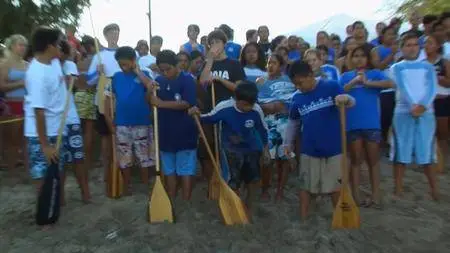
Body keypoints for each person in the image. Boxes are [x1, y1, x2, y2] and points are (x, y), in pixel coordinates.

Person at [283, 61, 355, 220]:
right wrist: (288, 143)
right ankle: (303, 217)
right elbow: (293, 123)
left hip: (334, 147)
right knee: (306, 186)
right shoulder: (297, 98)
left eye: (300, 83)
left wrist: (346, 98)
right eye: (295, 85)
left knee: (336, 186)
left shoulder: (331, 86)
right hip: (309, 148)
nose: (299, 87)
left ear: (310, 76)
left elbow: (350, 103)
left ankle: (341, 217)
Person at [189, 81, 268, 214]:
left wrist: (265, 150)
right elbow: (208, 118)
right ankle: (234, 205)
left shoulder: (256, 109)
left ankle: (249, 203)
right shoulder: (225, 107)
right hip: (230, 150)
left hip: (251, 149)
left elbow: (263, 130)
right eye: (245, 105)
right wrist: (196, 114)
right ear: (236, 99)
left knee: (252, 178)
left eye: (251, 104)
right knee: (233, 179)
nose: (248, 108)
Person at [341, 45, 393, 208]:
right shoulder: (345, 76)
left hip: (372, 124)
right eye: (355, 55)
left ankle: (376, 194)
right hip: (352, 124)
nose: (359, 59)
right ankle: (355, 194)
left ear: (368, 59)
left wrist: (368, 82)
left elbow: (391, 83)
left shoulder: (375, 74)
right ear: (351, 58)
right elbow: (339, 91)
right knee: (356, 160)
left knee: (373, 160)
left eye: (362, 56)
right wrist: (354, 81)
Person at [24, 27, 67, 227]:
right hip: (41, 132)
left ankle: (54, 204)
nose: (61, 47)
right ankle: (43, 209)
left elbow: (65, 55)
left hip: (57, 127)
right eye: (58, 43)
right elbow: (38, 112)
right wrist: (45, 145)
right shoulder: (37, 74)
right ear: (49, 47)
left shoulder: (54, 62)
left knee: (57, 169)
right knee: (42, 173)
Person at [389, 33, 439, 200]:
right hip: (403, 112)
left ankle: (434, 190)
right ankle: (398, 188)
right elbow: (402, 88)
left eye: (415, 44)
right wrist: (413, 106)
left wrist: (423, 106)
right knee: (401, 151)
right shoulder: (397, 67)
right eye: (408, 45)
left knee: (427, 152)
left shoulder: (428, 67)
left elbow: (432, 88)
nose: (412, 48)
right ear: (402, 48)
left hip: (426, 112)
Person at [198, 29, 246, 191]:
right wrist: (209, 61)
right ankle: (216, 180)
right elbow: (203, 82)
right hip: (211, 110)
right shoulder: (208, 63)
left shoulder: (234, 64)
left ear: (224, 44)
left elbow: (239, 88)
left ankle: (232, 181)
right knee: (211, 148)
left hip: (229, 112)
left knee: (229, 148)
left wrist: (220, 79)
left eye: (217, 42)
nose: (214, 46)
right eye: (211, 43)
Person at [104, 46, 154, 196]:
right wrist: (108, 119)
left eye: (126, 64)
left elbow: (151, 87)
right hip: (122, 123)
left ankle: (145, 183)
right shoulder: (115, 77)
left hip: (142, 122)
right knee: (124, 156)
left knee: (143, 155)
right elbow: (107, 98)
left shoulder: (145, 74)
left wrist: (138, 71)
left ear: (134, 61)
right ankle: (127, 184)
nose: (123, 67)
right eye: (120, 64)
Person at [149, 50, 198, 200]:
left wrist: (162, 104)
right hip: (165, 132)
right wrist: (149, 91)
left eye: (168, 69)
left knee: (185, 168)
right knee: (169, 168)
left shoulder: (187, 80)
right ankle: (170, 196)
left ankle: (186, 199)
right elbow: (150, 100)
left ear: (176, 64)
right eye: (161, 70)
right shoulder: (159, 81)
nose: (165, 73)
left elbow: (187, 103)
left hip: (185, 132)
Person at [256, 53, 296, 201]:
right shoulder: (260, 82)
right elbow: (256, 104)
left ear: (281, 66)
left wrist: (282, 107)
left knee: (283, 159)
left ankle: (280, 190)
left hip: (286, 124)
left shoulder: (290, 81)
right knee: (267, 159)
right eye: (268, 63)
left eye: (274, 63)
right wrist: (270, 106)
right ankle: (265, 189)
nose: (270, 66)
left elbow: (294, 101)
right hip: (268, 124)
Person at [86, 23, 121, 187]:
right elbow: (89, 80)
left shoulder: (126, 53)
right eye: (111, 33)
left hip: (122, 97)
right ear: (106, 36)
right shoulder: (98, 56)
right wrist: (96, 72)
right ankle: (106, 171)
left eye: (117, 32)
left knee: (123, 134)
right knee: (106, 136)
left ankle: (122, 169)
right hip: (103, 97)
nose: (115, 35)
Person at [59, 40, 91, 203]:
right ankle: (61, 196)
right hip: (54, 121)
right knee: (59, 161)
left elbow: (79, 84)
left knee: (78, 158)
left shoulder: (70, 65)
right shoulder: (43, 65)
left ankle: (85, 194)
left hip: (70, 118)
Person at [0, 34, 28, 173]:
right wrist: (20, 83)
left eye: (24, 45)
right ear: (12, 46)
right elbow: (2, 86)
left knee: (25, 139)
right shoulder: (4, 63)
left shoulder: (27, 64)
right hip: (11, 104)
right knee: (11, 140)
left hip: (26, 104)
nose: (23, 48)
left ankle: (27, 172)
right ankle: (10, 170)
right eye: (20, 45)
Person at [424, 35, 450, 168]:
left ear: (437, 45)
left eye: (430, 43)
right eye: (425, 43)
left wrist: (440, 79)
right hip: (427, 102)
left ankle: (443, 161)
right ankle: (429, 161)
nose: (426, 45)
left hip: (442, 100)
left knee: (443, 133)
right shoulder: (420, 63)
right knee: (428, 133)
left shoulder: (444, 62)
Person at [75, 35, 97, 171]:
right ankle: (87, 161)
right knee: (88, 131)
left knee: (80, 131)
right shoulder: (93, 61)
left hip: (78, 95)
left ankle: (80, 160)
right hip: (89, 95)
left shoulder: (78, 62)